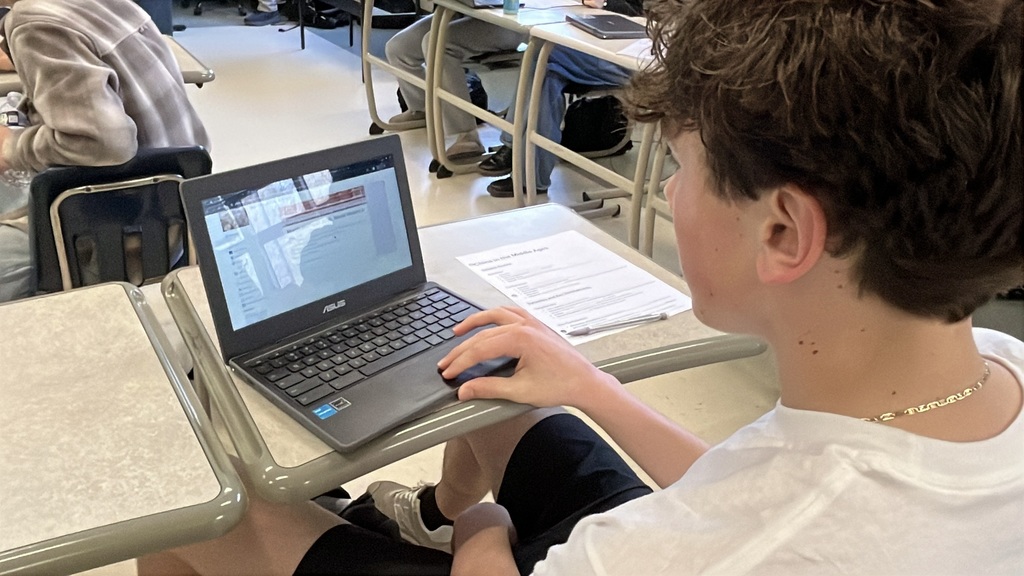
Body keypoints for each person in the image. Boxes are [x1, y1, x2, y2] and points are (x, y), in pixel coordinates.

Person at [143, 0, 1024, 573]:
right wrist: (590, 386)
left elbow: (740, 521)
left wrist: (484, 528)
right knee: (517, 400)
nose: (668, 193)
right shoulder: (989, 363)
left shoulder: (674, 557)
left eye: (679, 167)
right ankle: (422, 511)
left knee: (203, 513)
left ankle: (434, 521)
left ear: (783, 232)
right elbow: (753, 481)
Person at [0, 0, 210, 301]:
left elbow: (106, 142)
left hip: (118, 235)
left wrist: (11, 147)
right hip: (172, 211)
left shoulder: (32, 20)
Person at [478, 0, 642, 198]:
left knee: (543, 53)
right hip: (585, 40)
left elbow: (633, 13)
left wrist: (604, 3)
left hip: (628, 57)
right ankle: (530, 174)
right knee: (548, 72)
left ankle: (514, 146)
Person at [385, 14, 525, 161]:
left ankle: (468, 136)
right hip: (459, 12)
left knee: (437, 44)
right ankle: (422, 109)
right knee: (398, 48)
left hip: (508, 19)